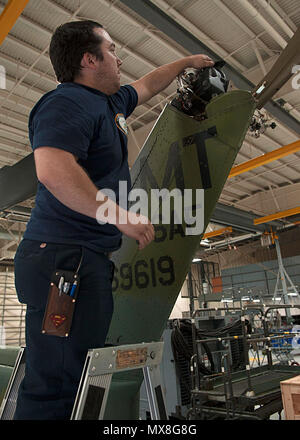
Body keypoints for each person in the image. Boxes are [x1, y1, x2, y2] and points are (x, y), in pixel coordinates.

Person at [13, 20, 214, 420]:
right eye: (112, 49)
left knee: (78, 375)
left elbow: (149, 83)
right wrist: (118, 216)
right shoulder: (65, 103)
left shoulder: (110, 103)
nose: (119, 58)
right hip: (62, 260)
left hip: (87, 260)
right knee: (55, 385)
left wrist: (188, 62)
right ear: (90, 59)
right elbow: (52, 169)